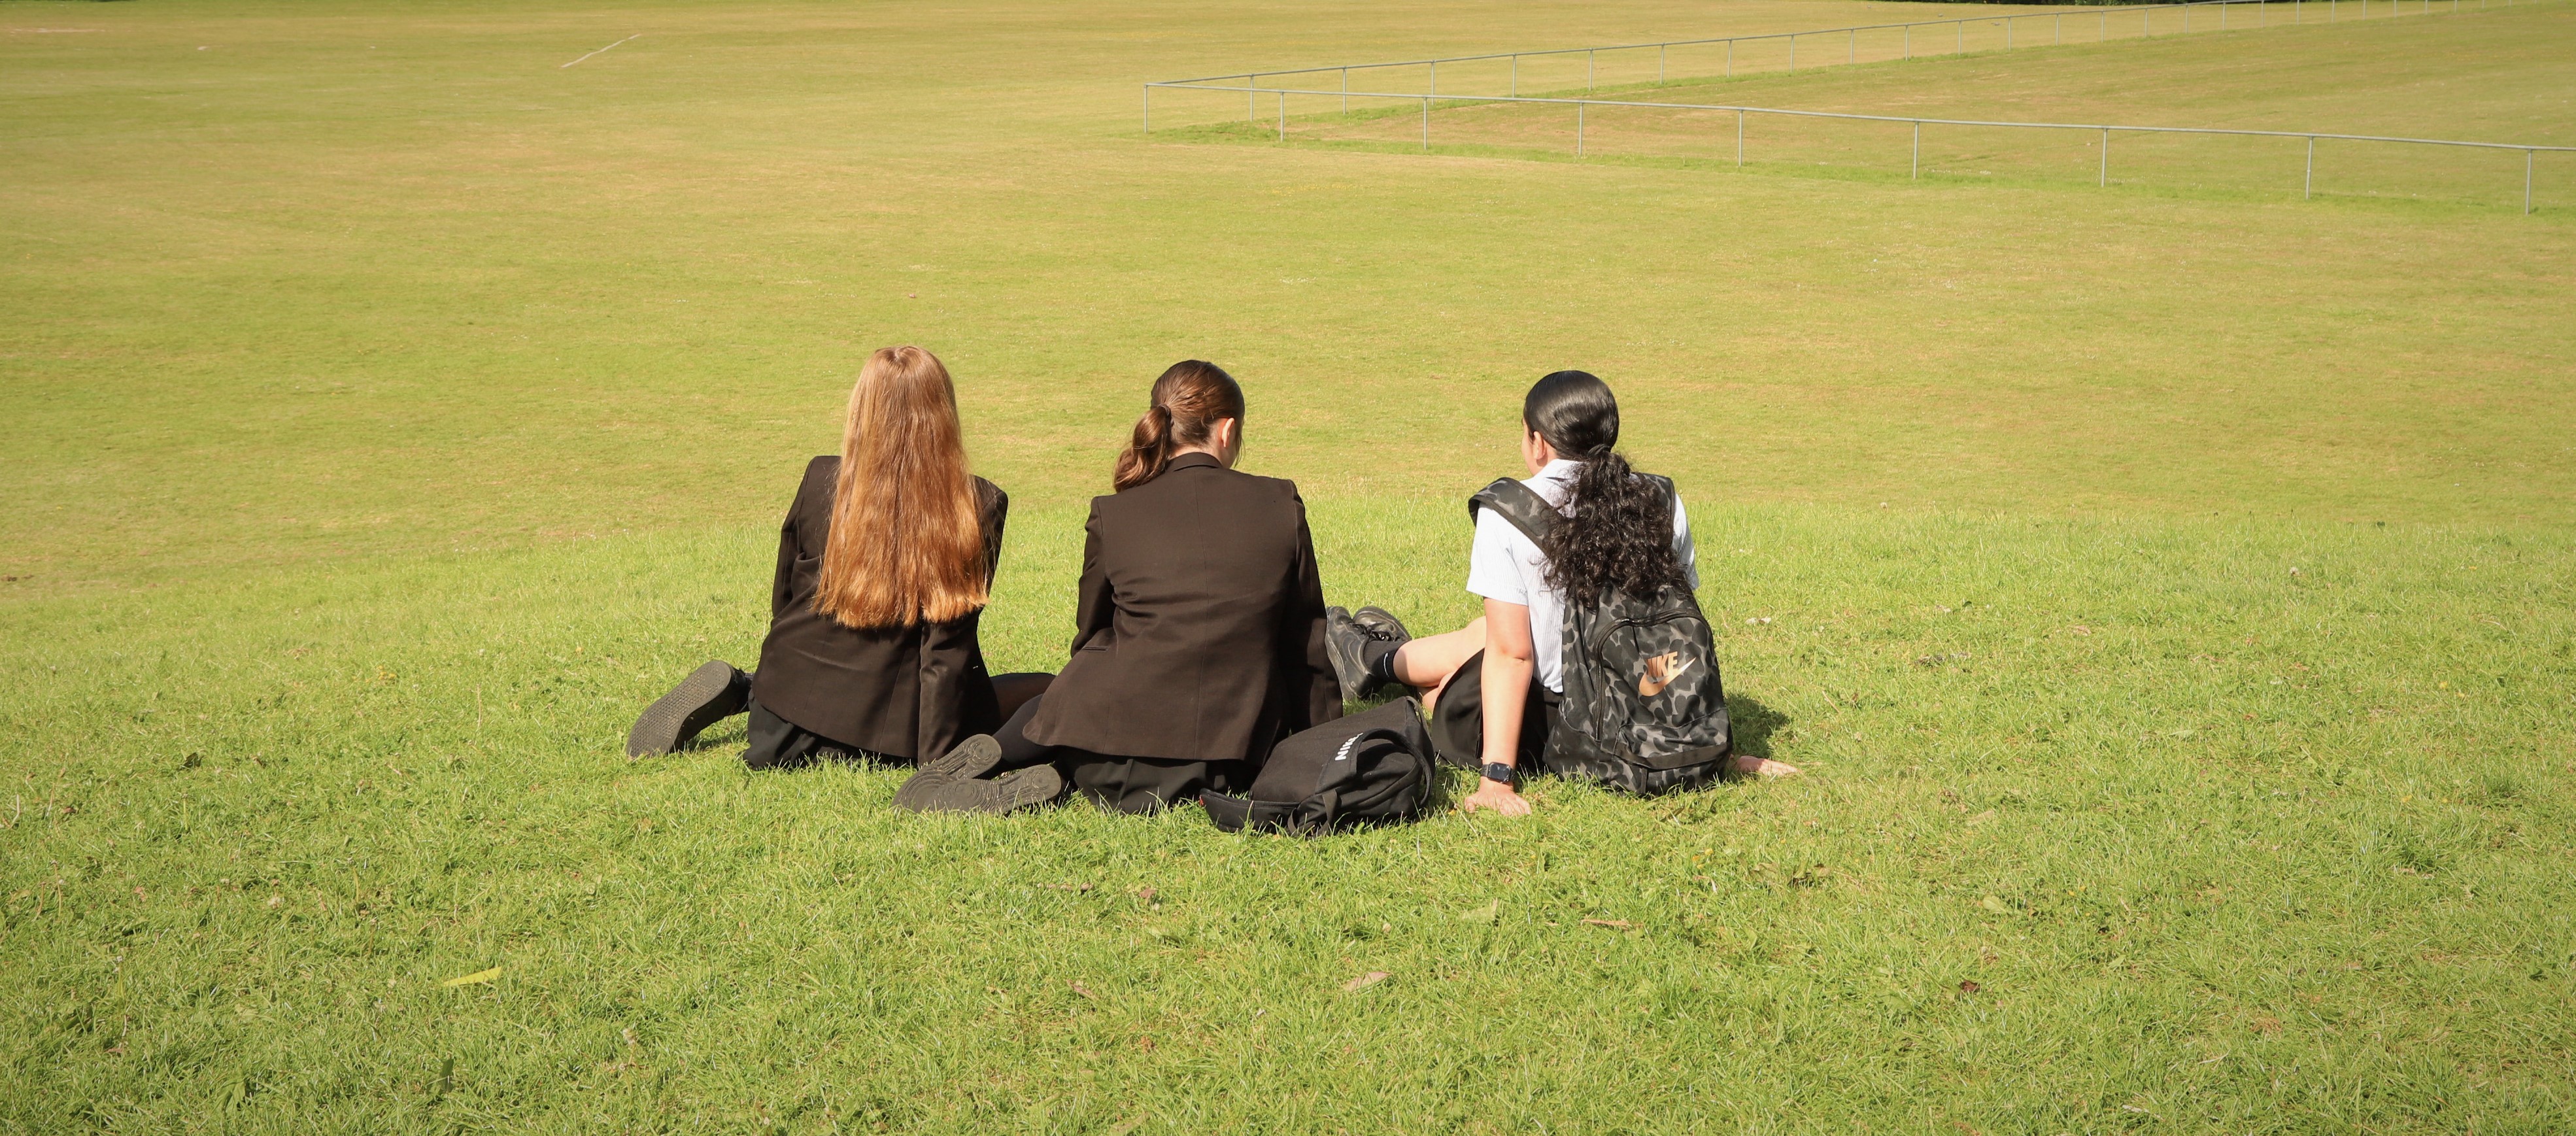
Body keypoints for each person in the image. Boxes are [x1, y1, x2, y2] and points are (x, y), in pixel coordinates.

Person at [1326, 370, 1797, 818]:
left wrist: (1497, 779)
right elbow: (1675, 631)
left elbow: (1512, 654)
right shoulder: (1662, 498)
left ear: (1538, 442)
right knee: (1487, 630)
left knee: (1458, 675)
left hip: (1564, 728)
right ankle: (1373, 658)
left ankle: (1376, 661)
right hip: (1648, 693)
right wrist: (1708, 742)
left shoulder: (1507, 511)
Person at [624, 346, 1058, 811]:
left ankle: (744, 689)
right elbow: (946, 651)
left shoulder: (821, 478)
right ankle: (748, 689)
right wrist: (934, 766)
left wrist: (773, 684)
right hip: (885, 734)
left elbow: (786, 595)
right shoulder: (978, 504)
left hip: (779, 722)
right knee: (1046, 687)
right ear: (944, 415)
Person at [903, 360, 1339, 814]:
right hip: (1230, 756)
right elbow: (1306, 646)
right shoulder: (1279, 503)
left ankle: (1006, 753)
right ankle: (1056, 774)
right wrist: (1321, 743)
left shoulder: (1114, 512)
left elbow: (1091, 633)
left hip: (1102, 740)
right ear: (1228, 431)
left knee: (1065, 693)